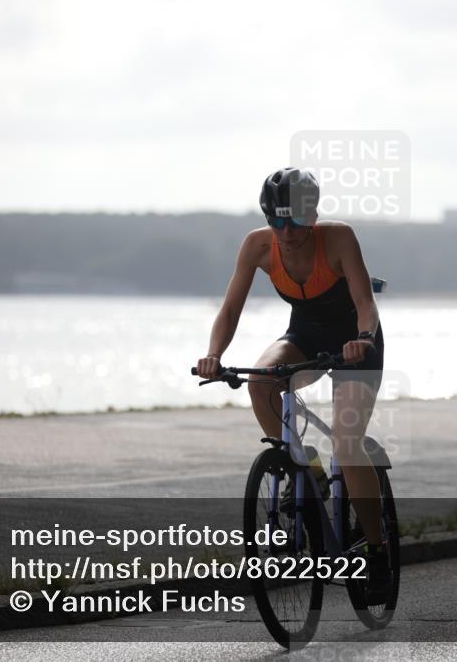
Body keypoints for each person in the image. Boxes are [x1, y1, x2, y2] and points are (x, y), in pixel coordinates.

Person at [196, 167, 391, 603]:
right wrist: (214, 355)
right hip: (304, 335)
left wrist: (361, 340)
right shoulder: (257, 246)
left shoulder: (338, 238)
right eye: (276, 221)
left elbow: (365, 303)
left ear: (313, 215)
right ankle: (305, 470)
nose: (285, 232)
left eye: (295, 222)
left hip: (356, 343)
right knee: (261, 383)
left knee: (347, 442)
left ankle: (376, 551)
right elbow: (229, 310)